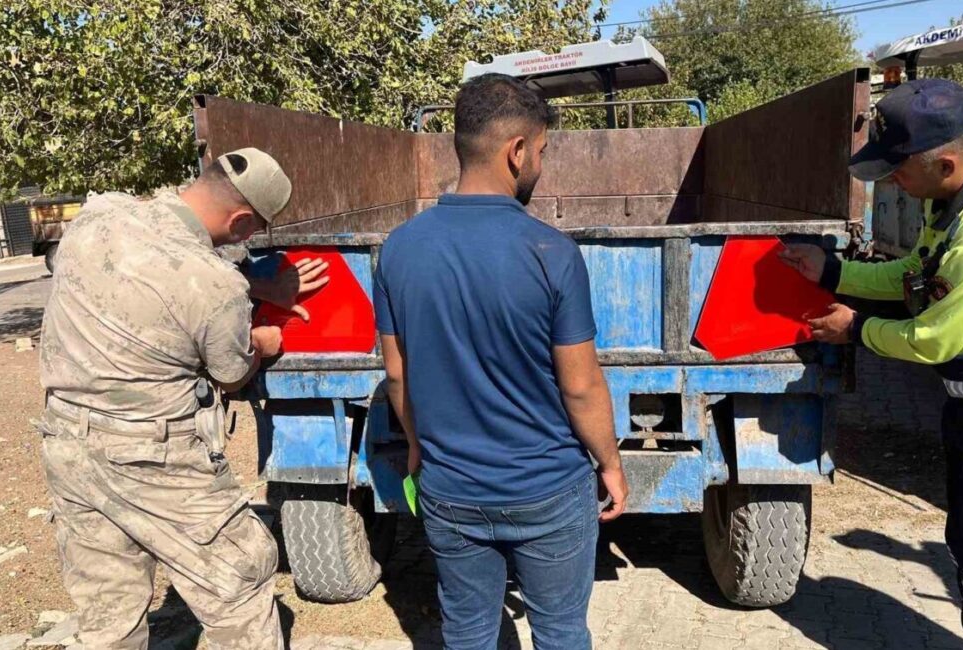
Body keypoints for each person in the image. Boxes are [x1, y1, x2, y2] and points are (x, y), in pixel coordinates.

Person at [780, 79, 963, 649]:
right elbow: (918, 273)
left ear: (943, 161)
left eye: (897, 169)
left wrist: (855, 329)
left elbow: (935, 338)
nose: (890, 181)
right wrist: (834, 273)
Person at [372, 73, 628, 650]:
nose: (540, 163)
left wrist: (416, 446)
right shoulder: (553, 253)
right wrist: (609, 462)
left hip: (450, 488)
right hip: (549, 489)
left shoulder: (399, 249)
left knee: (466, 631)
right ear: (516, 152)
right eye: (540, 151)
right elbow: (581, 387)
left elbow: (397, 374)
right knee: (561, 631)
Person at [38, 148, 311, 649]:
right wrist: (266, 340)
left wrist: (255, 284)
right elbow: (231, 374)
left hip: (68, 444)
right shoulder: (217, 286)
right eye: (253, 230)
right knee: (238, 581)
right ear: (243, 219)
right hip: (155, 455)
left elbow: (156, 263)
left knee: (108, 611)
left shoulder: (99, 218)